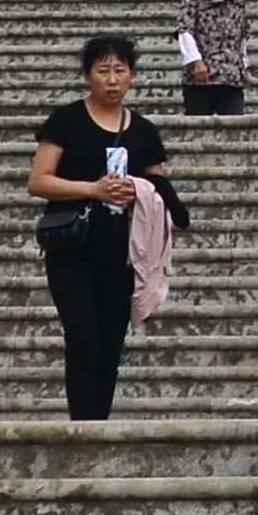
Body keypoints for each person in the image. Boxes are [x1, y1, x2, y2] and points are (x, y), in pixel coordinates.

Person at [26, 32, 176, 422]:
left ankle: (99, 426)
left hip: (122, 253)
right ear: (88, 76)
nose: (111, 80)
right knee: (83, 339)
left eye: (120, 71)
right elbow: (38, 180)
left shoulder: (144, 131)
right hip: (73, 249)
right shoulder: (67, 120)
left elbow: (160, 188)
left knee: (110, 346)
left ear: (133, 76)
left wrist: (139, 189)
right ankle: (82, 427)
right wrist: (92, 189)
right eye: (103, 71)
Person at [178, 0, 255, 116]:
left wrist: (243, 66)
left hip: (230, 76)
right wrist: (196, 62)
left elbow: (243, 34)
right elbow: (184, 30)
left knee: (234, 128)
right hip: (202, 78)